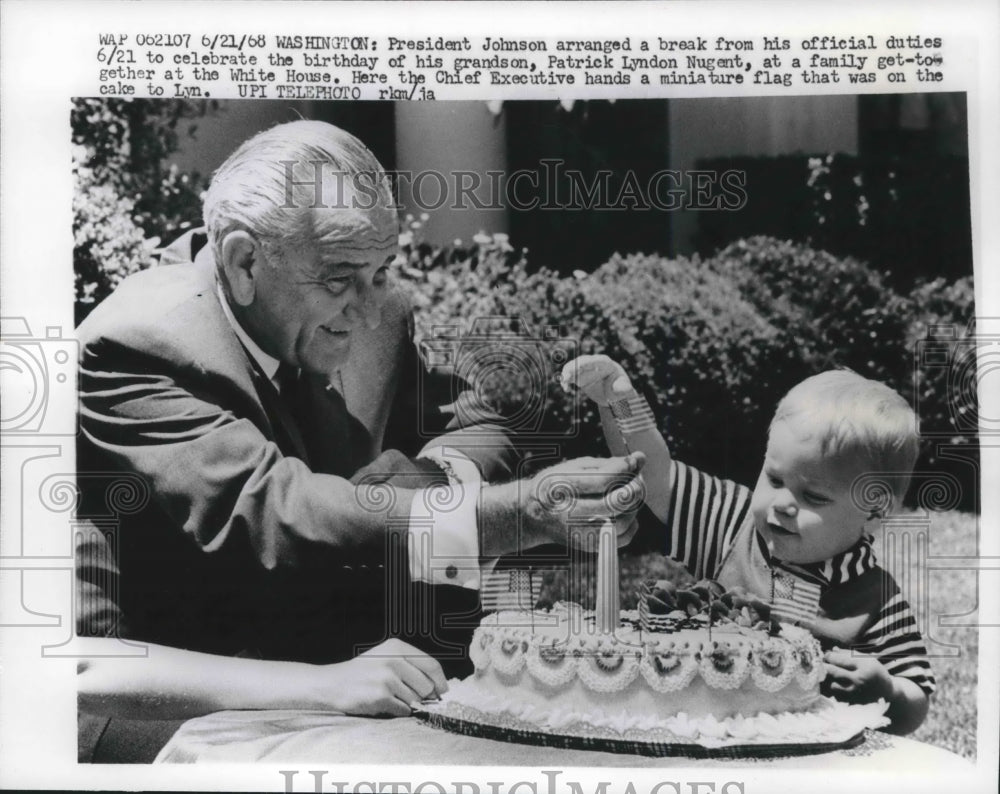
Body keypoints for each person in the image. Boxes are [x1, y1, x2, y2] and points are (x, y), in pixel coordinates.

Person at [74, 120, 644, 758]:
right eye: (342, 279)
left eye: (382, 272)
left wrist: (433, 476)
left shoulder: (364, 308)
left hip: (353, 675)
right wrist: (514, 515)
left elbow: (480, 421)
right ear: (243, 263)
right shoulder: (140, 345)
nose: (370, 310)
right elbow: (278, 517)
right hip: (156, 712)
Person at [561, 356, 934, 735]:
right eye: (774, 478)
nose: (783, 504)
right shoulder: (732, 524)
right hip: (704, 737)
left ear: (873, 513)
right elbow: (656, 477)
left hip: (808, 762)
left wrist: (888, 690)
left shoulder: (875, 598)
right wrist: (617, 401)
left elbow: (917, 694)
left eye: (814, 497)